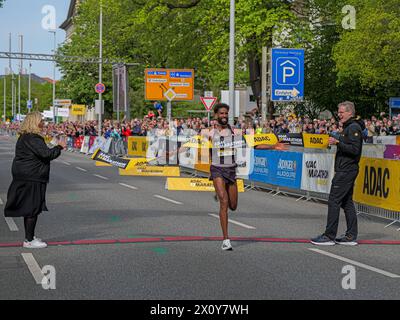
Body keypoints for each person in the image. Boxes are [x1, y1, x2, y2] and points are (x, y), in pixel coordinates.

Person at [4, 112, 66, 249]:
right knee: (33, 208)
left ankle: (30, 237)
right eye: (41, 121)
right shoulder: (33, 138)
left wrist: (53, 143)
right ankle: (29, 240)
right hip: (32, 176)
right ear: (35, 123)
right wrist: (60, 146)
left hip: (26, 174)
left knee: (30, 207)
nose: (43, 124)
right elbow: (46, 154)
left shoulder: (25, 137)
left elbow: (40, 151)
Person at [311, 101, 365, 246]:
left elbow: (355, 150)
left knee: (334, 200)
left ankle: (329, 236)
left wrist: (337, 142)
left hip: (347, 169)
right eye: (338, 112)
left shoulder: (353, 127)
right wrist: (334, 139)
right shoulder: (348, 127)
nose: (339, 115)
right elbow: (345, 143)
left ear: (350, 113)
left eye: (341, 112)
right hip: (345, 168)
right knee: (347, 202)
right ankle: (351, 236)